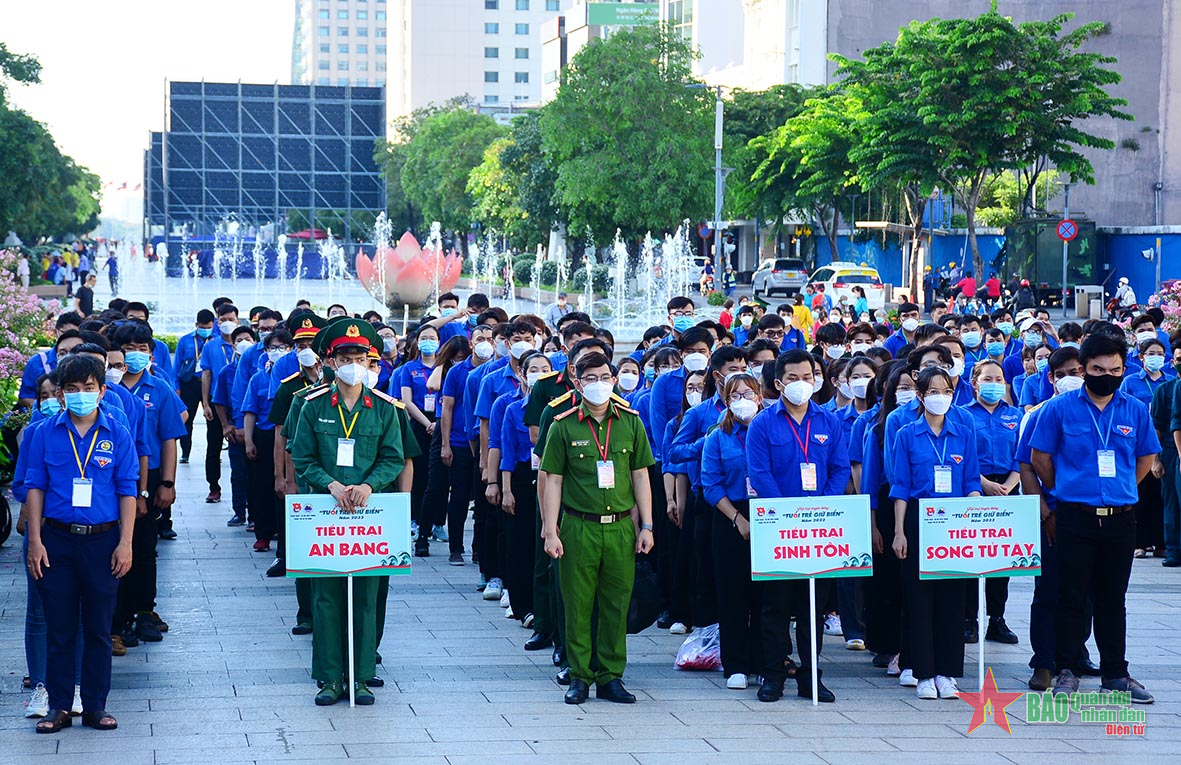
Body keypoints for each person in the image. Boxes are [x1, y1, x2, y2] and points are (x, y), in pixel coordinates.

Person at [1030, 333, 1160, 704]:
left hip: (1120, 518)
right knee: (1072, 595)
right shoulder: (1060, 408)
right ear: (1084, 369)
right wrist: (1070, 490)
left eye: (1115, 369)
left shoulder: (1134, 409)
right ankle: (1068, 668)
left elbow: (1145, 459)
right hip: (1075, 516)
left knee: (1112, 598)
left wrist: (1119, 488)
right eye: (1098, 369)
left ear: (1123, 368)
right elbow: (1041, 458)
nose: (1107, 375)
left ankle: (1115, 673)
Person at [290, 319, 406, 706]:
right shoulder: (312, 405)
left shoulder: (386, 409)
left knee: (366, 596)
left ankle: (360, 677)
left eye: (359, 357)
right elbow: (302, 457)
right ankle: (328, 678)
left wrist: (369, 486)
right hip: (326, 514)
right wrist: (332, 485)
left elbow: (394, 457)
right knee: (325, 597)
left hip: (368, 516)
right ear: (330, 360)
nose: (352, 364)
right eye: (345, 357)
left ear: (371, 362)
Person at [23, 355, 139, 733]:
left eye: (88, 388)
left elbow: (127, 490)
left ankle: (94, 706)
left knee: (98, 630)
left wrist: (126, 543)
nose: (81, 395)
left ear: (102, 391)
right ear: (59, 395)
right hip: (56, 539)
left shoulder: (116, 432)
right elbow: (35, 487)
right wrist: (35, 541)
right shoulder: (45, 432)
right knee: (59, 628)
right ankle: (59, 706)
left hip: (102, 541)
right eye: (72, 390)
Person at [540, 351, 655, 705]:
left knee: (615, 604)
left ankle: (611, 675)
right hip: (578, 526)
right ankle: (580, 676)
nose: (599, 385)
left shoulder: (630, 421)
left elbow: (640, 475)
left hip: (620, 526)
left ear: (615, 379)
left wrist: (647, 525)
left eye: (605, 377)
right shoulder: (564, 424)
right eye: (590, 379)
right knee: (577, 603)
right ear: (577, 382)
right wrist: (550, 530)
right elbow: (552, 480)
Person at [746, 350, 851, 703]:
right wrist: (787, 512)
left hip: (819, 530)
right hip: (778, 528)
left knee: (813, 607)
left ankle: (811, 677)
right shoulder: (763, 423)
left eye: (807, 376)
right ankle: (773, 674)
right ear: (778, 383)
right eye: (792, 378)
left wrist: (822, 506)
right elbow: (759, 473)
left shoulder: (829, 422)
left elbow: (839, 469)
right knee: (773, 606)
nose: (801, 384)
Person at [889, 366, 981, 700]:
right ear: (920, 396)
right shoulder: (906, 434)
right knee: (919, 599)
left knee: (952, 600)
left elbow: (971, 480)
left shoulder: (963, 433)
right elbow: (900, 486)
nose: (939, 397)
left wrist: (975, 511)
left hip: (954, 522)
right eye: (932, 391)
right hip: (919, 518)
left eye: (945, 391)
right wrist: (899, 531)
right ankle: (924, 672)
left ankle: (947, 672)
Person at [702, 373, 764, 690]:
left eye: (749, 394)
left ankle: (767, 661)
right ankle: (736, 664)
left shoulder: (770, 429)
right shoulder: (718, 436)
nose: (743, 401)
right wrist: (738, 519)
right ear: (726, 401)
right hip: (730, 516)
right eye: (735, 395)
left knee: (767, 595)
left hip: (768, 515)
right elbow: (710, 485)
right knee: (732, 593)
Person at [961, 360, 1021, 645]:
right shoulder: (961, 416)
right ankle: (969, 619)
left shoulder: (1016, 415)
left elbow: (1024, 455)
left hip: (1009, 488)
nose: (994, 383)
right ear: (975, 383)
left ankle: (996, 619)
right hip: (974, 485)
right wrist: (983, 483)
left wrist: (1009, 485)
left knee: (1002, 559)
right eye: (988, 378)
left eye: (999, 379)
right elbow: (960, 455)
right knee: (972, 555)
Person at [1121, 337, 1169, 558]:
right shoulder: (1131, 382)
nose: (1155, 357)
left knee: (1161, 498)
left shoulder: (1169, 381)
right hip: (1137, 444)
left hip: (1163, 444)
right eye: (1151, 353)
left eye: (1159, 353)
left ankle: (1161, 542)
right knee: (1140, 495)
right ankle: (1139, 542)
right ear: (1141, 357)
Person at [199, 303, 242, 504]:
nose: (226, 324)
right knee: (213, 446)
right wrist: (205, 403)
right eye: (222, 320)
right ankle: (213, 486)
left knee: (242, 449)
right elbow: (206, 374)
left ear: (238, 321)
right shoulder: (210, 346)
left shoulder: (245, 345)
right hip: (218, 404)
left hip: (241, 405)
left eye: (230, 320)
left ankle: (243, 494)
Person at [174, 310, 216, 464]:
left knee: (212, 420)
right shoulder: (185, 340)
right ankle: (185, 452)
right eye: (202, 326)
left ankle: (213, 453)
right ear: (196, 325)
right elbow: (177, 364)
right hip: (189, 383)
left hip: (209, 384)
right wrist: (176, 386)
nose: (205, 329)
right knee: (187, 419)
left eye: (208, 327)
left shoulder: (217, 341)